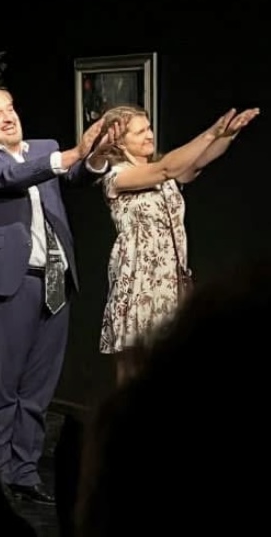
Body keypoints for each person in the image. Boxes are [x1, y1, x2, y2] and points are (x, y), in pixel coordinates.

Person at [0, 86, 109, 505]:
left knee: (39, 387)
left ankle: (26, 472)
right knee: (5, 384)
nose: (8, 117)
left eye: (10, 108)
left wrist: (95, 154)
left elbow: (78, 176)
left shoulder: (44, 148)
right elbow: (7, 178)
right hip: (11, 280)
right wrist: (70, 156)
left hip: (56, 278)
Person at [97, 104, 258, 382]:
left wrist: (227, 135)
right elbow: (165, 169)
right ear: (119, 142)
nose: (149, 135)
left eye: (149, 128)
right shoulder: (117, 176)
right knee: (135, 369)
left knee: (169, 364)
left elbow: (198, 161)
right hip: (139, 281)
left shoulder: (165, 173)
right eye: (140, 132)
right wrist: (211, 132)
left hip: (169, 280)